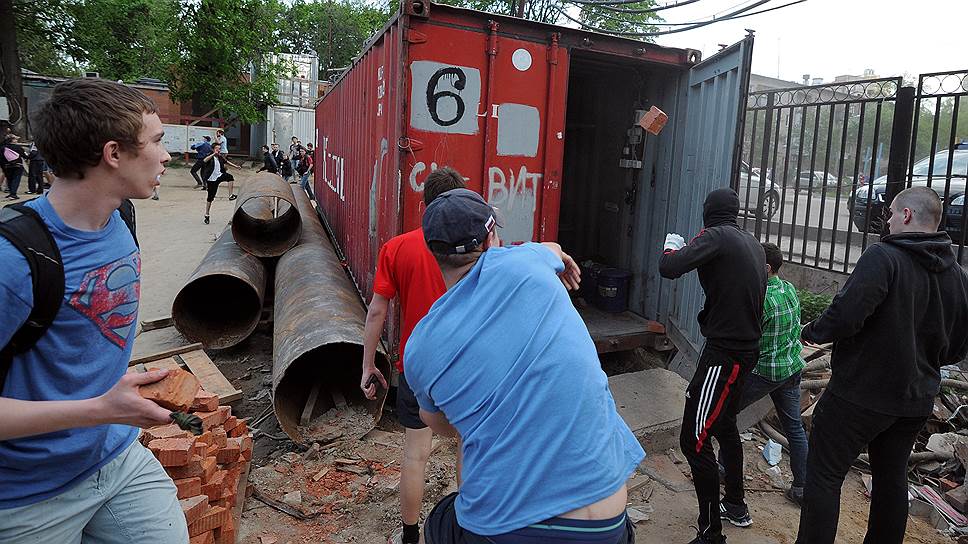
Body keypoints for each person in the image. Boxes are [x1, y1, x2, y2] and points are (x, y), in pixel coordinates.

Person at [0, 78, 187, 542]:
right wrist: (98, 409)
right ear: (114, 153)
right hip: (27, 497)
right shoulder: (13, 261)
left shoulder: (122, 215)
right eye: (157, 142)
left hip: (116, 456)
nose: (168, 156)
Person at [405, 188, 644, 543]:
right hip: (606, 523)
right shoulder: (529, 261)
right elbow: (549, 249)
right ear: (491, 241)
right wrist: (563, 260)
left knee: (438, 523)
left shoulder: (421, 346)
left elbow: (440, 423)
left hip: (505, 529)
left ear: (432, 251)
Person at [795, 187, 968, 544]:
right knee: (891, 479)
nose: (886, 220)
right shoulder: (959, 276)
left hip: (860, 396)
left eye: (891, 213)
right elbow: (957, 348)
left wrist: (812, 331)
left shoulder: (883, 257)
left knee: (824, 476)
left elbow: (845, 316)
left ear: (906, 215)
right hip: (915, 400)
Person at [360, 167, 466, 544]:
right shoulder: (473, 249)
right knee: (467, 448)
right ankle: (467, 528)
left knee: (415, 455)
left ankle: (408, 535)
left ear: (424, 204)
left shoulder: (398, 247)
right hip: (466, 368)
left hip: (416, 368)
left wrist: (369, 363)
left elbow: (377, 310)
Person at [658, 187, 767, 544]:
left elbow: (669, 267)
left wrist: (672, 245)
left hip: (725, 355)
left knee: (693, 440)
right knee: (724, 424)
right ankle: (735, 504)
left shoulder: (717, 235)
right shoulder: (750, 242)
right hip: (744, 350)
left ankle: (710, 535)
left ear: (709, 212)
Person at [717, 242, 808, 507]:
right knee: (794, 428)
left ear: (766, 268)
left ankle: (723, 470)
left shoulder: (761, 298)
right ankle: (803, 488)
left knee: (725, 414)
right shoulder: (789, 289)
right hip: (790, 367)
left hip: (765, 371)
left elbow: (747, 338)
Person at [201, 142, 240, 224]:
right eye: (217, 149)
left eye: (219, 149)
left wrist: (236, 166)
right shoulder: (210, 156)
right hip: (211, 180)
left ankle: (230, 195)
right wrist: (213, 154)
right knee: (210, 198)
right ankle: (207, 214)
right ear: (213, 149)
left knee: (230, 177)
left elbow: (227, 162)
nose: (219, 150)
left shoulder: (220, 157)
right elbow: (204, 160)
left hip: (219, 175)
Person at [1, 133, 27, 200]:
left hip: (6, 166)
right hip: (17, 165)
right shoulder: (18, 147)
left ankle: (11, 193)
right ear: (12, 140)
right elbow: (25, 156)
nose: (17, 140)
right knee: (16, 179)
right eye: (15, 139)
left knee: (10, 179)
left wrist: (3, 167)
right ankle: (13, 194)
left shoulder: (2, 147)